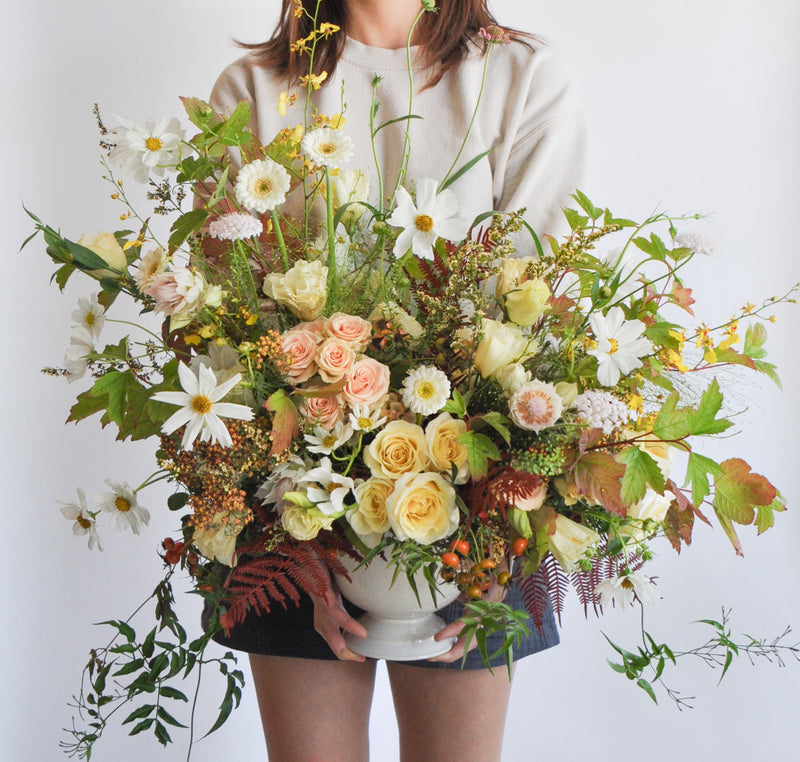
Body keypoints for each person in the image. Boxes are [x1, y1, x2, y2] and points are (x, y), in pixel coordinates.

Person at [207, 1, 587, 759]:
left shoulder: (519, 77)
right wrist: (291, 537)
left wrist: (490, 541)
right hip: (292, 506)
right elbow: (225, 335)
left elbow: (543, 308)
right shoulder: (253, 90)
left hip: (477, 498)